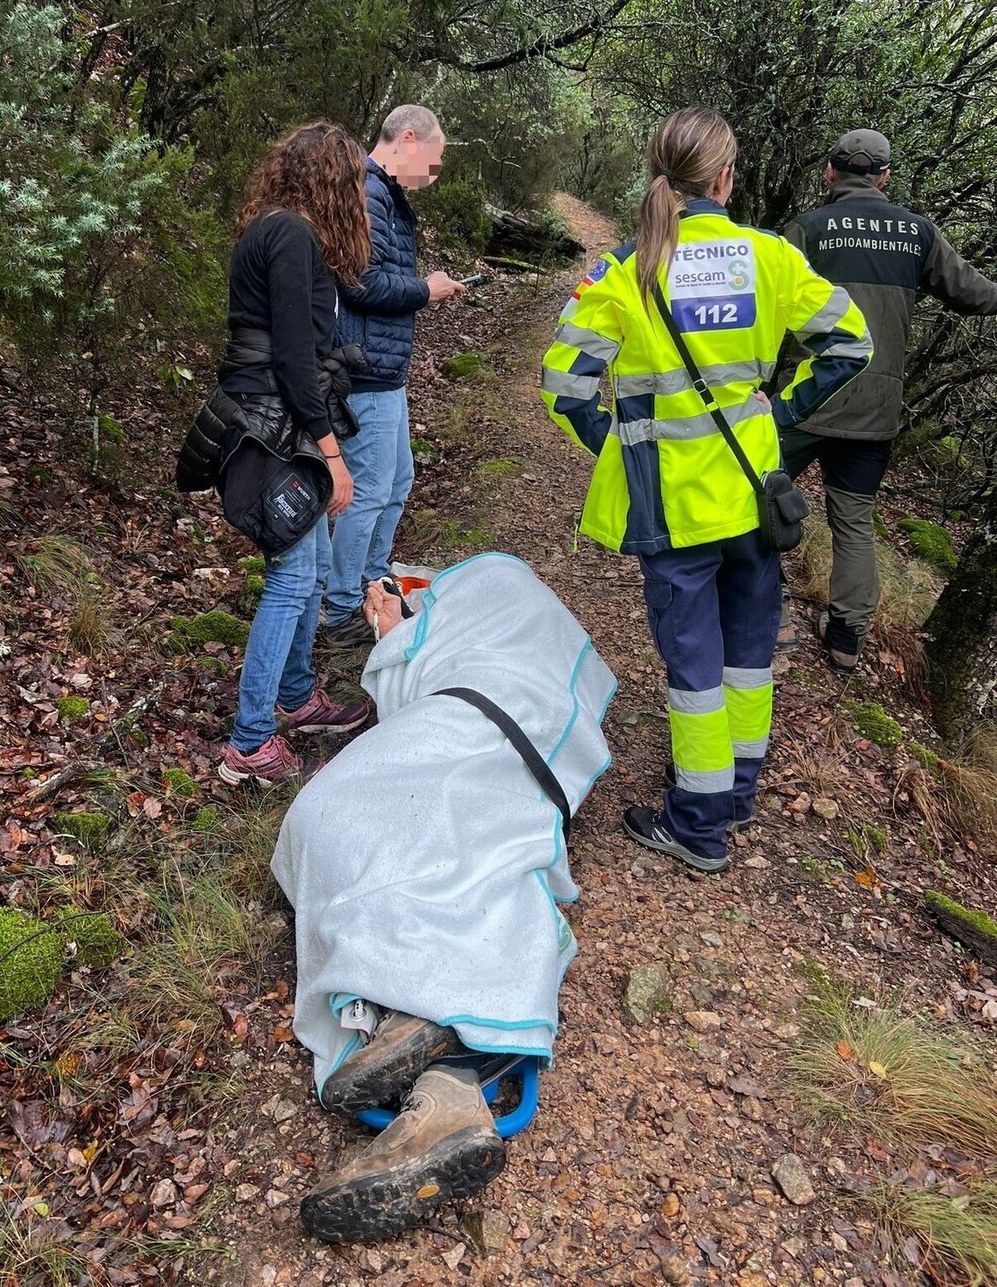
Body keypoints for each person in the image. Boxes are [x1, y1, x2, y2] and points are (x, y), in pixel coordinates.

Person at [541, 106, 872, 875]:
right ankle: (738, 790)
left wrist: (619, 446)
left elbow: (564, 383)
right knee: (750, 652)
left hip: (672, 508)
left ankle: (697, 822)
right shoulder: (771, 257)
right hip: (756, 493)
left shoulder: (625, 270)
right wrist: (779, 418)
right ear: (726, 177)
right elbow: (850, 343)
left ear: (660, 175)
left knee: (694, 666)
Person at [271, 554, 616, 1241]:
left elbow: (421, 665)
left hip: (500, 711)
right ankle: (444, 1086)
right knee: (411, 838)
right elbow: (410, 692)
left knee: (355, 819)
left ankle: (412, 1021)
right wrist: (395, 629)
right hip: (481, 716)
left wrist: (395, 624)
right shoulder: (442, 607)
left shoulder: (485, 583)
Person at [778, 129, 997, 671]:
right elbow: (975, 294)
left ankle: (764, 610)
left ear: (829, 172)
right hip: (876, 408)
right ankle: (846, 639)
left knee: (755, 492)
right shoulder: (918, 235)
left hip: (806, 399)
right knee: (853, 520)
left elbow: (768, 312)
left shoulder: (805, 230)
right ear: (885, 177)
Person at [204, 122, 374, 784]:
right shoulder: (292, 236)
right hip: (270, 427)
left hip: (270, 419)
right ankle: (248, 744)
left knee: (315, 558)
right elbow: (296, 361)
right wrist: (333, 458)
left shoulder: (274, 228)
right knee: (295, 575)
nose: (359, 192)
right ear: (331, 179)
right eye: (354, 179)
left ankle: (299, 696)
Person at [321, 105, 466, 648]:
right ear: (408, 138)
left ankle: (371, 581)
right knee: (369, 491)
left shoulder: (385, 194)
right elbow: (360, 281)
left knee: (397, 482)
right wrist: (425, 289)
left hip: (385, 367)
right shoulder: (367, 190)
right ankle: (340, 611)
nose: (435, 171)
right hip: (365, 369)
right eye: (434, 156)